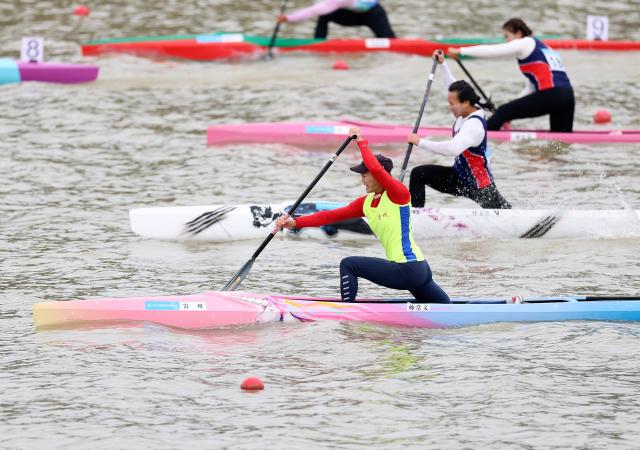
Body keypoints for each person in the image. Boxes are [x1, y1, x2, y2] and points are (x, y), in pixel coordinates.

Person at [275, 127, 450, 304]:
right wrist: (295, 223)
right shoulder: (366, 203)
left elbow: (377, 168)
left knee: (349, 264)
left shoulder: (398, 194)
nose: (362, 179)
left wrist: (361, 142)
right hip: (417, 270)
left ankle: (346, 312)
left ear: (377, 175)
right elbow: (330, 216)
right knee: (447, 312)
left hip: (408, 269)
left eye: (365, 175)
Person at [408, 51, 511, 209]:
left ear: (466, 103)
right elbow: (453, 88)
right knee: (418, 174)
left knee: (505, 213)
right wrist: (442, 64)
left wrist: (420, 142)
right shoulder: (464, 111)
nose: (450, 107)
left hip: (479, 185)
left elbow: (453, 148)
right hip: (458, 177)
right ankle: (415, 217)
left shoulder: (474, 125)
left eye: (452, 104)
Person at [448, 18, 574, 132]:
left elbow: (494, 50)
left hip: (552, 95)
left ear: (518, 33)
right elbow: (531, 88)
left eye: (507, 36)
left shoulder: (525, 42)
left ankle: (478, 136)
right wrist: (512, 110)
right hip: (568, 97)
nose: (506, 41)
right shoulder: (545, 48)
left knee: (503, 111)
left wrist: (461, 51)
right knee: (560, 140)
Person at [277, 0, 396, 39]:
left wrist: (288, 18)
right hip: (353, 15)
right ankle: (319, 42)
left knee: (390, 40)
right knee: (325, 14)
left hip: (374, 14)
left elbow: (313, 11)